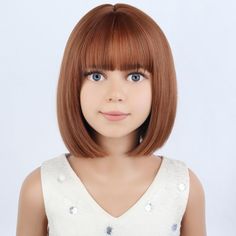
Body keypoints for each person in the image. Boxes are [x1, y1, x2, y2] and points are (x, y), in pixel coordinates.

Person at [16, 3, 206, 236]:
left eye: (135, 76)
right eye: (97, 76)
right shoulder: (39, 189)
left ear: (160, 86)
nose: (115, 94)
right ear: (73, 83)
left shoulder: (184, 187)